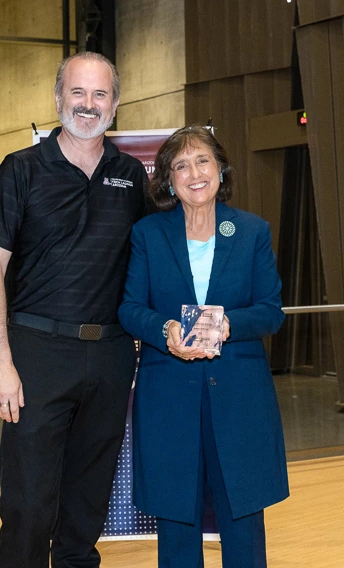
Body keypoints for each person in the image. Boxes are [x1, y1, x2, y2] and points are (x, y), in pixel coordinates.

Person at [0, 51, 147, 568]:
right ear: (57, 98)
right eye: (77, 92)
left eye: (99, 95)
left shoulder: (132, 176)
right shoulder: (20, 170)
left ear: (115, 104)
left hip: (111, 355)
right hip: (35, 354)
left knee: (87, 503)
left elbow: (152, 259)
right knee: (27, 503)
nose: (87, 105)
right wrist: (0, 363)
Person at [117, 125, 288, 567]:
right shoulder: (148, 235)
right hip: (169, 398)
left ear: (220, 170)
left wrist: (229, 323)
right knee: (176, 523)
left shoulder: (252, 232)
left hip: (239, 397)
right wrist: (165, 329)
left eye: (203, 161)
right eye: (181, 165)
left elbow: (271, 310)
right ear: (168, 179)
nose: (194, 173)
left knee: (243, 525)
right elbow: (130, 308)